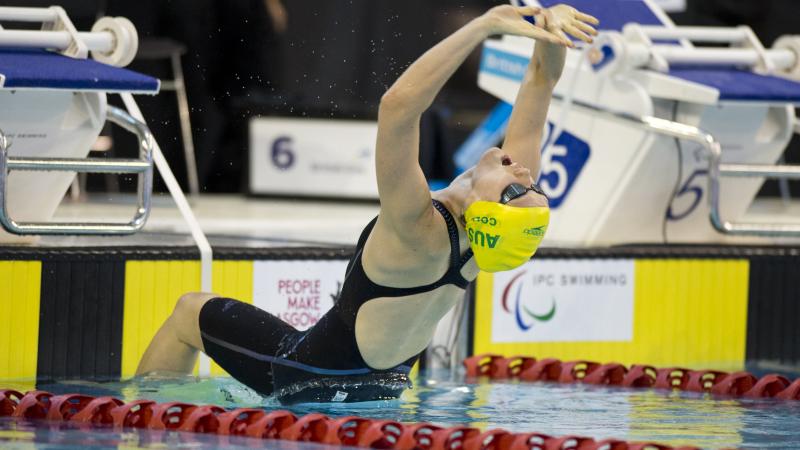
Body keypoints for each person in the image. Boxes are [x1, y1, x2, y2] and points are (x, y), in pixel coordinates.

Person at [136, 3, 598, 404]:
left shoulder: (419, 228)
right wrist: (549, 30)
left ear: (483, 208)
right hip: (386, 390)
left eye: (516, 188)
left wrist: (483, 26)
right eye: (531, 183)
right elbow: (540, 81)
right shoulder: (481, 240)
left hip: (307, 378)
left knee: (189, 310)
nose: (522, 173)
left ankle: (147, 425)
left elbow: (397, 107)